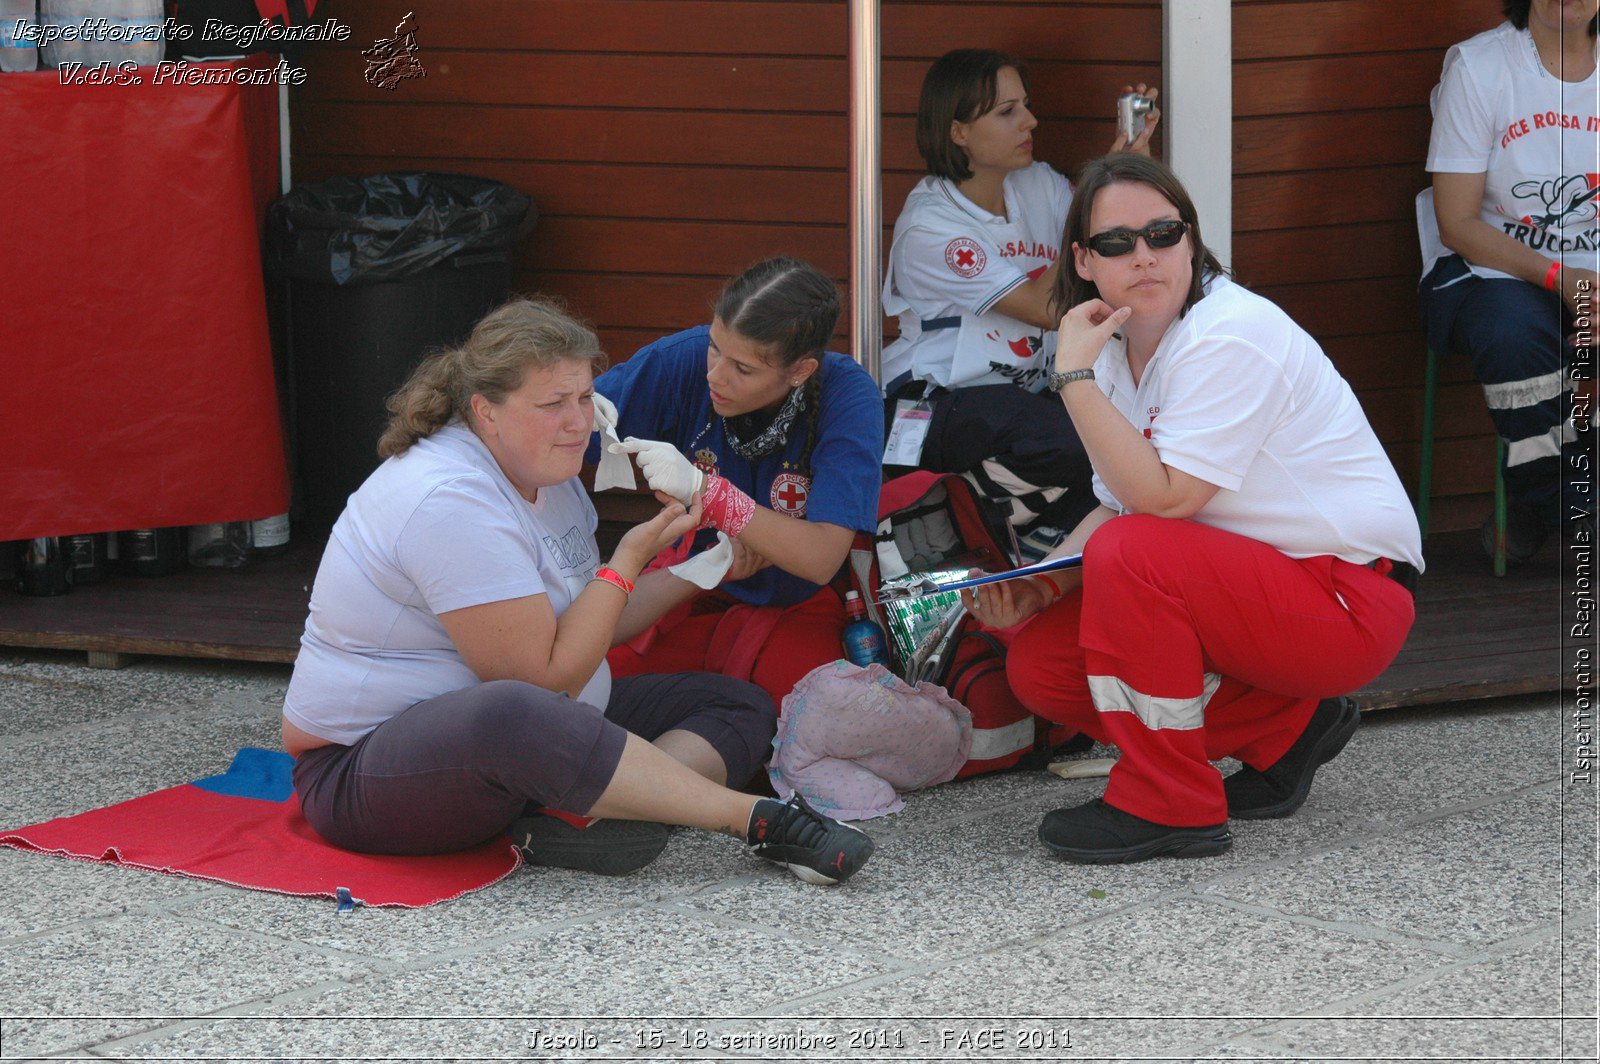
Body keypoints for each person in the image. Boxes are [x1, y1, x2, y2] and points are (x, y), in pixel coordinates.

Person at [279, 298, 873, 884]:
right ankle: (760, 822)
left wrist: (696, 574)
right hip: (363, 773)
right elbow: (544, 679)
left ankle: (610, 812)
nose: (579, 421)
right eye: (553, 404)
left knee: (736, 704)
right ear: (485, 411)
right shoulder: (448, 497)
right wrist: (628, 560)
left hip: (533, 734)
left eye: (586, 397)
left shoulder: (542, 467)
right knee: (514, 709)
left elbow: (587, 622)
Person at [962, 154, 1422, 864]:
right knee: (1044, 664)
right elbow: (1116, 508)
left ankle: (1170, 805)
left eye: (1164, 234)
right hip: (1261, 592)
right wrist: (1039, 583)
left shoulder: (1229, 333)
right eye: (1117, 243)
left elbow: (1164, 503)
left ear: (1190, 240)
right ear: (1084, 260)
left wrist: (1072, 376)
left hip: (1349, 596)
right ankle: (1286, 731)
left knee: (1133, 551)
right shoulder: (1117, 350)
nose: (1143, 256)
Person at [881, 48, 1159, 551]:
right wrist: (1096, 200)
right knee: (1066, 437)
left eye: (1024, 105)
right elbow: (1047, 307)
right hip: (932, 400)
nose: (1030, 120)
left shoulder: (1038, 184)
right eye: (1006, 112)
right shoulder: (931, 226)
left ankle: (1031, 538)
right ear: (957, 130)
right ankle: (963, 515)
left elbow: (1090, 257)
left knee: (1117, 445)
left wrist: (1120, 178)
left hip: (1025, 398)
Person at [587, 258, 884, 709]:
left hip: (802, 600)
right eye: (714, 347)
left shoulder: (848, 393)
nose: (715, 375)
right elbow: (564, 429)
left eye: (743, 369)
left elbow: (821, 557)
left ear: (801, 371)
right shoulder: (683, 359)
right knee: (591, 678)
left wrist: (704, 491)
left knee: (807, 707)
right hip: (692, 577)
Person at [1420, 0, 1598, 564]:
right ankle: (1560, 505)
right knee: (1513, 335)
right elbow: (1458, 223)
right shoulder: (1480, 68)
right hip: (1494, 267)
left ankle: (1538, 505)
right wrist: (1561, 277)